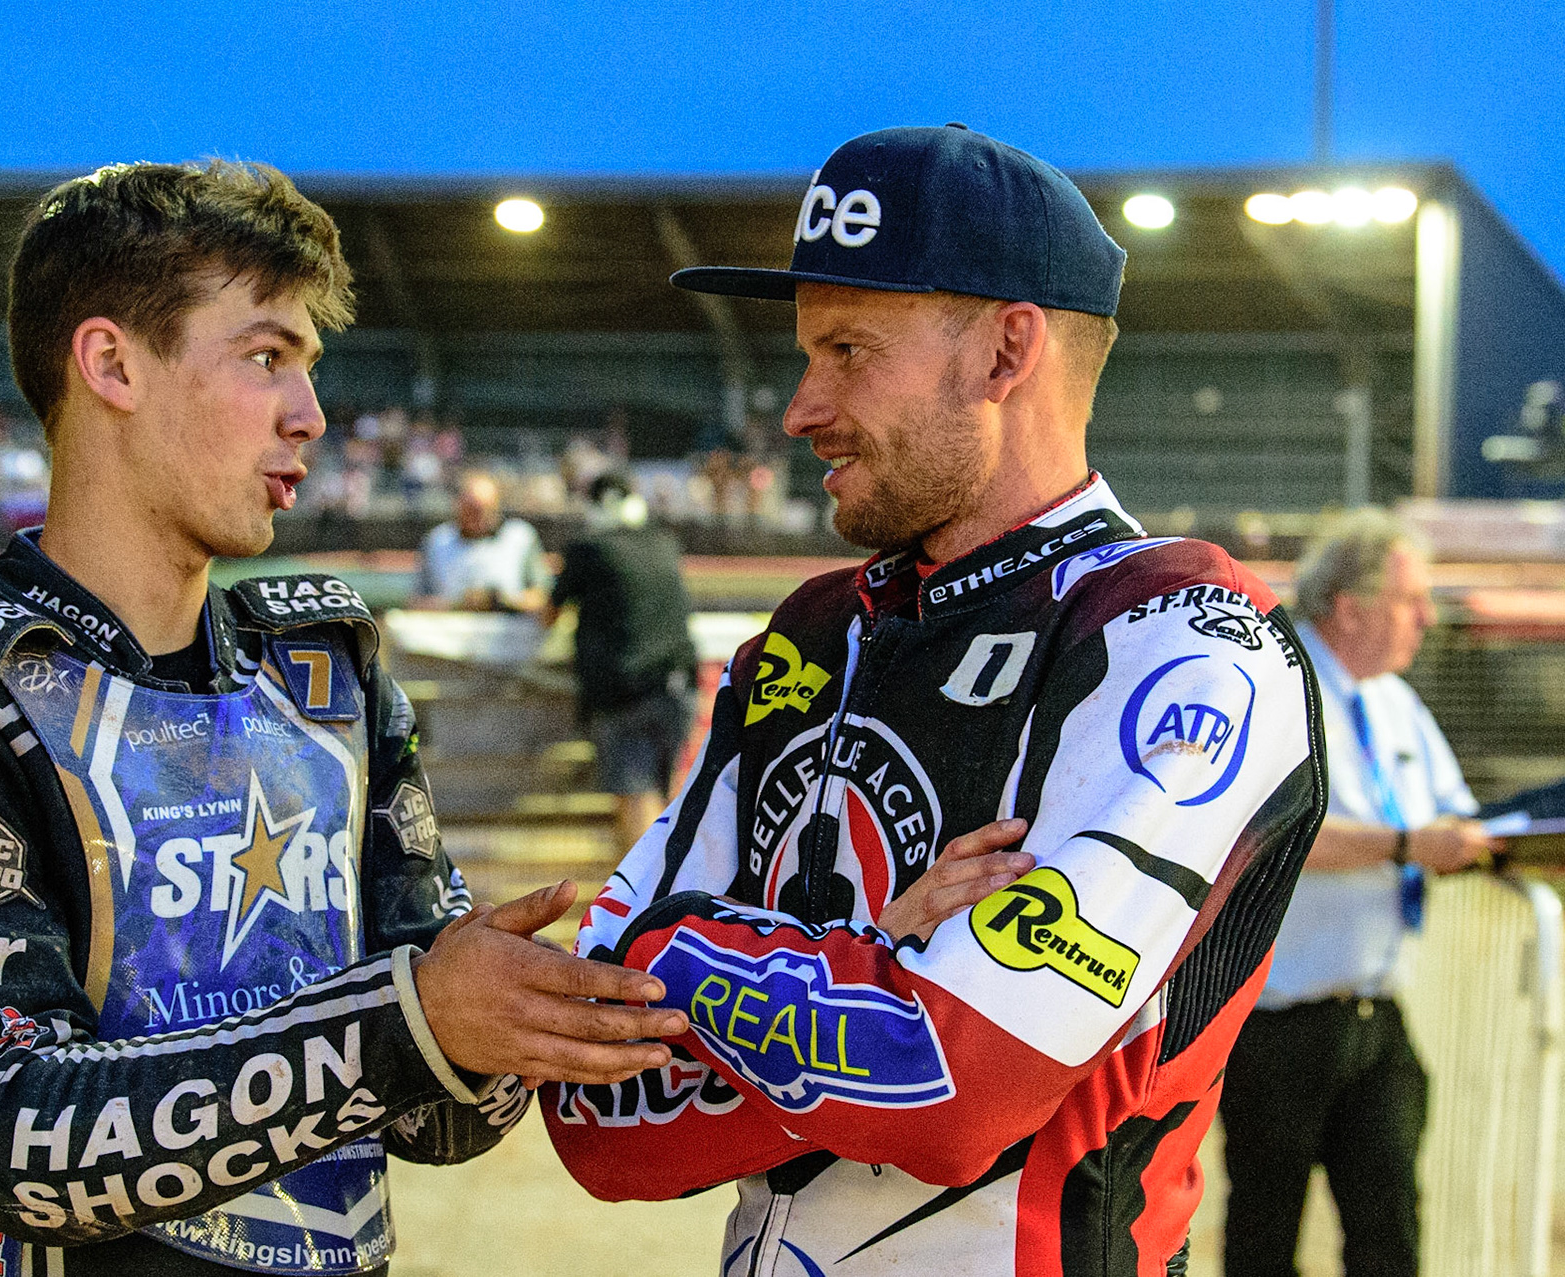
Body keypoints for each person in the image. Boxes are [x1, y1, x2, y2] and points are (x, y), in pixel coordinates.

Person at [0, 161, 686, 1277]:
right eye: (266, 357)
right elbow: (0, 1136)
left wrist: (558, 1009)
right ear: (111, 362)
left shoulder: (330, 676)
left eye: (309, 368)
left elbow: (436, 1121)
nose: (310, 415)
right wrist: (410, 1022)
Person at [542, 125, 1326, 1275]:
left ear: (1008, 352)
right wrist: (873, 954)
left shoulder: (1180, 635)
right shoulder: (807, 634)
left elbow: (958, 1085)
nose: (801, 407)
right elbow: (593, 1111)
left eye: (849, 348)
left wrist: (681, 953)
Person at [1220, 508, 1499, 1277]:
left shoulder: (1394, 700)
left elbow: (1456, 814)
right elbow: (1272, 832)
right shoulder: (1274, 687)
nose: (1427, 618)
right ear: (1349, 606)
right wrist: (1408, 846)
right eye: (1412, 599)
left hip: (1376, 1015)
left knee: (1390, 1236)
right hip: (1278, 1023)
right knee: (1263, 1240)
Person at [541, 472, 699, 854]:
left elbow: (549, 613)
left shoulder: (589, 547)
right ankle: (668, 894)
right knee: (665, 795)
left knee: (635, 794)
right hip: (679, 684)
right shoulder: (663, 541)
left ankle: (644, 904)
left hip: (626, 689)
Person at [410, 470, 550, 611]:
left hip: (509, 629)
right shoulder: (437, 540)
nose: (477, 517)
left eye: (484, 510)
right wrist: (459, 604)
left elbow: (543, 598)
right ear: (458, 506)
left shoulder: (521, 537)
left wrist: (501, 600)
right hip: (451, 629)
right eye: (471, 510)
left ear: (496, 507)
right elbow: (416, 602)